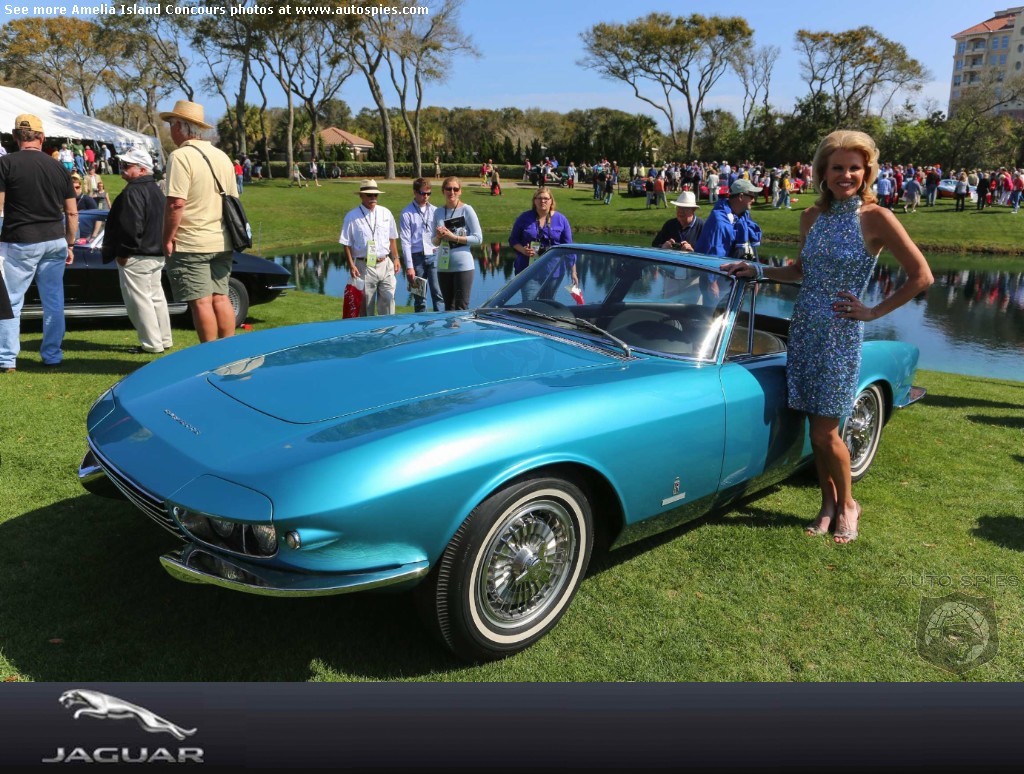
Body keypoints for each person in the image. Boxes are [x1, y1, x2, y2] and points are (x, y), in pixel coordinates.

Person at [723, 130, 933, 544]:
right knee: (812, 429)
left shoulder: (876, 217)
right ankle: (826, 505)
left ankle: (848, 504)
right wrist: (760, 272)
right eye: (837, 167)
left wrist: (872, 312)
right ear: (822, 171)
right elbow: (801, 272)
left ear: (867, 171)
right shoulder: (810, 217)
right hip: (803, 330)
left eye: (855, 167)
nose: (846, 175)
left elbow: (921, 276)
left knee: (825, 431)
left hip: (839, 335)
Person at [0, 114, 78, 372]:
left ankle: (7, 358)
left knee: (11, 301)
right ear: (41, 138)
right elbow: (72, 212)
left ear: (15, 137)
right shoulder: (59, 167)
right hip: (54, 240)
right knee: (54, 301)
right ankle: (53, 355)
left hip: (20, 240)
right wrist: (70, 243)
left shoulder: (5, 163)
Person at [160, 99, 239, 343]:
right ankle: (228, 353)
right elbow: (234, 199)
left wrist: (167, 238)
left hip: (192, 241)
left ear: (180, 126)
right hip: (222, 239)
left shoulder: (180, 156)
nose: (170, 130)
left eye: (171, 124)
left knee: (201, 301)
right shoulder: (221, 156)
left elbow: (176, 203)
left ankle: (209, 357)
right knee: (221, 296)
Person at [103, 147, 172, 354]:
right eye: (122, 165)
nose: (122, 169)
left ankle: (152, 344)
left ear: (142, 170)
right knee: (156, 298)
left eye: (127, 165)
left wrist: (124, 252)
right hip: (155, 253)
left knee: (140, 301)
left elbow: (132, 227)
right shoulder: (155, 190)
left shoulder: (134, 191)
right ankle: (163, 339)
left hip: (138, 254)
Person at [340, 178, 400, 316]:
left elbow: (392, 237)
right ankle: (369, 336)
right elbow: (346, 243)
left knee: (389, 303)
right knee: (366, 309)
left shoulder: (386, 213)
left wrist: (396, 258)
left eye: (375, 195)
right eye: (369, 195)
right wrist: (351, 265)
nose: (373, 198)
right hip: (365, 266)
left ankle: (387, 333)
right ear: (361, 196)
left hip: (385, 264)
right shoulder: (352, 216)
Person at [509, 186, 576, 301]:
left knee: (547, 305)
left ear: (551, 201)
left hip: (553, 272)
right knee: (529, 304)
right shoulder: (524, 218)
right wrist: (523, 250)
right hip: (528, 270)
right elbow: (513, 240)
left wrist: (573, 272)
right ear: (534, 201)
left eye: (546, 198)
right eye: (539, 198)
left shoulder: (561, 220)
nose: (542, 201)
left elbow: (569, 247)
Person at [431, 176, 482, 311]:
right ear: (443, 191)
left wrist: (454, 238)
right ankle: (449, 332)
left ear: (460, 191)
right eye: (448, 189)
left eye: (455, 189)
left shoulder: (467, 210)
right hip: (443, 266)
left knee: (461, 307)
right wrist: (438, 237)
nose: (452, 192)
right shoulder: (438, 212)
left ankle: (463, 332)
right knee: (448, 307)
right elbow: (433, 241)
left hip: (463, 266)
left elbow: (478, 238)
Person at [398, 177, 443, 313]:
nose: (426, 197)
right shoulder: (407, 213)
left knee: (438, 294)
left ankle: (440, 326)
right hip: (417, 258)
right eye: (423, 193)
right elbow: (405, 241)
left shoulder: (435, 211)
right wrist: (409, 267)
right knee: (419, 297)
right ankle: (422, 328)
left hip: (434, 255)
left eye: (428, 193)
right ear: (415, 192)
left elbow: (440, 236)